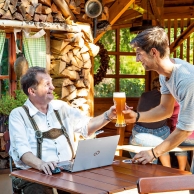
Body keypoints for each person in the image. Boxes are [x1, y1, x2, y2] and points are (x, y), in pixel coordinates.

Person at [9, 66, 116, 194]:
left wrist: (108, 115)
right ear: (32, 91)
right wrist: (41, 164)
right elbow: (23, 152)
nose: (52, 88)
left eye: (52, 83)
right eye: (47, 84)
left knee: (96, 186)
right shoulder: (18, 115)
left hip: (66, 171)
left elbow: (86, 127)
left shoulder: (61, 107)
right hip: (34, 174)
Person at [122, 27, 194, 178]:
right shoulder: (164, 75)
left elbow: (185, 129)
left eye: (139, 54)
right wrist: (136, 116)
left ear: (154, 52)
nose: (137, 59)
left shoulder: (186, 80)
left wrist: (153, 153)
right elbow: (164, 110)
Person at [129, 77, 171, 167]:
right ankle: (168, 170)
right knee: (167, 132)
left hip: (140, 136)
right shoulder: (168, 98)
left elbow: (139, 111)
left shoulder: (144, 95)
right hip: (161, 137)